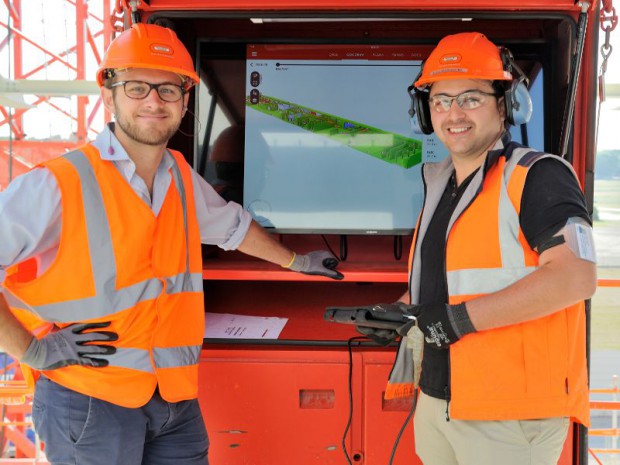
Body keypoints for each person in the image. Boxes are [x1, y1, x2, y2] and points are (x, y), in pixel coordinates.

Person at [0, 23, 342, 465]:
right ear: (109, 96)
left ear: (184, 102)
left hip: (173, 397)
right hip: (90, 398)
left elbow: (232, 227)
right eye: (137, 87)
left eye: (167, 89)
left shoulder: (177, 173)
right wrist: (31, 350)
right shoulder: (58, 184)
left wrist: (296, 261)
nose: (153, 101)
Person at [331, 32, 597, 465]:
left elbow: (576, 276)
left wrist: (456, 321)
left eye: (470, 98)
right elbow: (450, 283)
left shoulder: (538, 176)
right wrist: (399, 313)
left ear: (504, 104)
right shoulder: (441, 185)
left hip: (510, 414)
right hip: (441, 400)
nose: (453, 113)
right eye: (440, 100)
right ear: (425, 112)